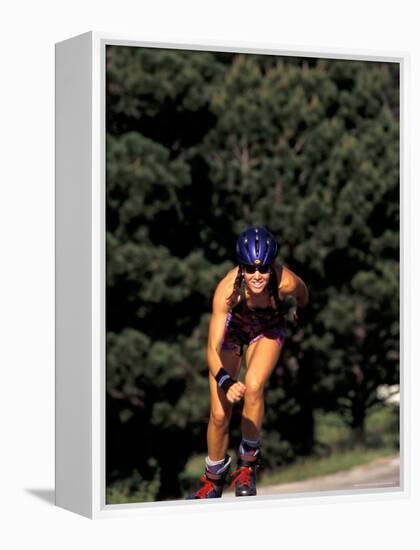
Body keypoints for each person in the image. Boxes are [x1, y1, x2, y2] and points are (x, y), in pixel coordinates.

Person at [187, 226, 309, 499]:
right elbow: (211, 349)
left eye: (264, 269)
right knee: (219, 414)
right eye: (250, 270)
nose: (257, 276)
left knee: (253, 385)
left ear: (271, 267)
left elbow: (303, 294)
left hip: (267, 329)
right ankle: (213, 479)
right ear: (241, 268)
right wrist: (225, 380)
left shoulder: (285, 282)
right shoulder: (227, 291)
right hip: (234, 331)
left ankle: (247, 467)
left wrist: (301, 311)